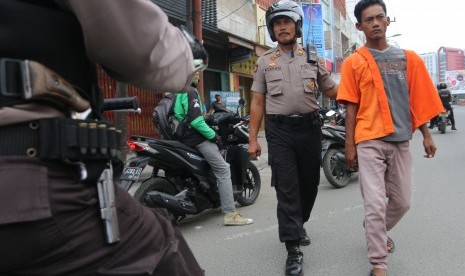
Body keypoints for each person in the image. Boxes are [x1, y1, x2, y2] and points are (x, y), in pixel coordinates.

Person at [0, 0, 207, 275]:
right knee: (164, 245)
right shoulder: (190, 94)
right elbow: (143, 50)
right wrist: (186, 55)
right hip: (33, 178)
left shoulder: (168, 103)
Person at [336, 1, 444, 275]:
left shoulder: (409, 59)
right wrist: (350, 145)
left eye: (379, 17)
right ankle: (379, 264)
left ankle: (374, 227)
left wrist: (427, 135)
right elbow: (350, 105)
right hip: (368, 139)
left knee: (402, 202)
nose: (375, 23)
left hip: (400, 140)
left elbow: (415, 101)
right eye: (368, 19)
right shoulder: (353, 62)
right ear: (359, 26)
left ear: (388, 21)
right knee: (374, 202)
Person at [248, 1, 338, 275]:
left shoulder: (312, 57)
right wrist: (253, 139)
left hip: (310, 129)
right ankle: (293, 249)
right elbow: (256, 102)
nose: (282, 27)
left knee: (309, 184)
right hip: (279, 132)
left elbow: (332, 91)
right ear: (273, 30)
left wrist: (359, 91)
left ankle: (299, 222)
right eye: (277, 23)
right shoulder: (265, 61)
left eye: (286, 22)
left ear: (297, 26)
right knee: (287, 187)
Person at [173, 68, 254, 226]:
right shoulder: (191, 92)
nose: (197, 74)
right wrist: (214, 136)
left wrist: (208, 119)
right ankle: (230, 214)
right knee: (223, 169)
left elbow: (183, 115)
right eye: (194, 71)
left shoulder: (179, 91)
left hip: (183, 138)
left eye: (198, 71)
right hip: (196, 139)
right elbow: (196, 122)